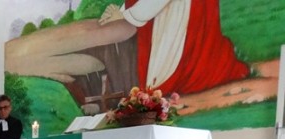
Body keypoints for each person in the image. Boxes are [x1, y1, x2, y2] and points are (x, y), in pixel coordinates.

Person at [99, 0, 249, 95]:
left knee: (167, 70)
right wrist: (120, 12)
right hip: (164, 13)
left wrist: (124, 15)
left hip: (179, 13)